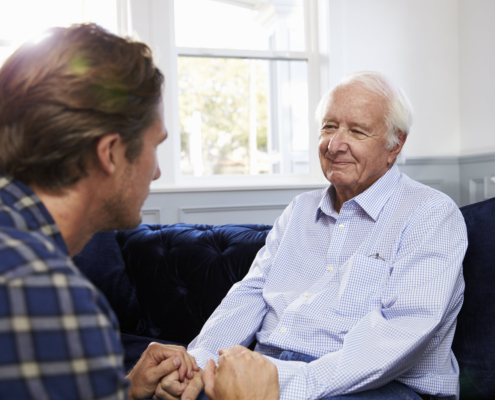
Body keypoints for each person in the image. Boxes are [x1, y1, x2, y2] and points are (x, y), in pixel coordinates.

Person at [157, 71, 468, 400]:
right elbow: (250, 294)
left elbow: (399, 335)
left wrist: (280, 384)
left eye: (357, 131)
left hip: (378, 386)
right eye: (329, 127)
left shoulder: (431, 214)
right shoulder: (299, 210)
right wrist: (198, 364)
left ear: (396, 144)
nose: (335, 145)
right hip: (274, 369)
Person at [0, 23, 202, 399]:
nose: (156, 171)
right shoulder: (48, 295)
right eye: (154, 146)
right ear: (110, 152)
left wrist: (121, 390)